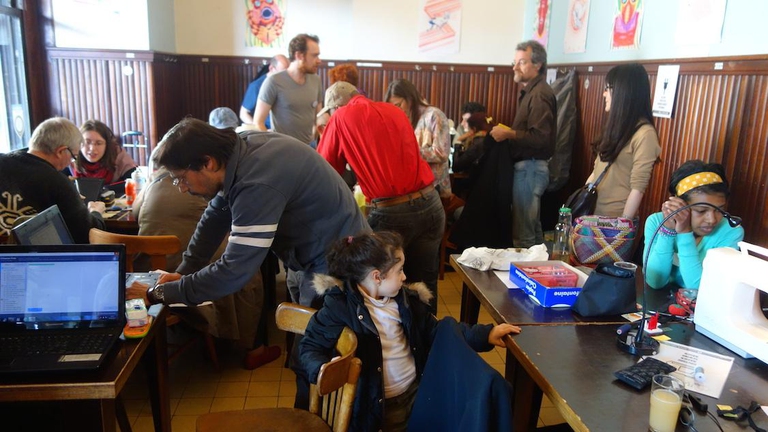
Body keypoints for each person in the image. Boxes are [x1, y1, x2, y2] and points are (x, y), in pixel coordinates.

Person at [126, 118, 369, 406]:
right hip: (312, 254)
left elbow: (233, 272)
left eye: (181, 178)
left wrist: (159, 293)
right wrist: (183, 272)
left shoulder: (256, 179)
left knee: (316, 361)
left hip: (336, 263)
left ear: (207, 162)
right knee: (308, 352)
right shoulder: (238, 152)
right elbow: (214, 218)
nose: (181, 187)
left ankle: (313, 420)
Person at [299, 232, 520, 432]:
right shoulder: (339, 307)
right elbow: (310, 346)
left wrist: (485, 335)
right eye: (399, 271)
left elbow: (439, 332)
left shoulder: (405, 301)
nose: (404, 277)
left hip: (416, 395)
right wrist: (324, 370)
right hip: (374, 406)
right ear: (377, 277)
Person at [317, 81, 444, 313]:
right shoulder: (394, 111)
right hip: (431, 204)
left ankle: (391, 335)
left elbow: (323, 170)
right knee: (424, 285)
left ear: (335, 108)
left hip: (393, 213)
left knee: (380, 285)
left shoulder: (341, 117)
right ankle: (429, 333)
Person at [489, 40, 556, 248]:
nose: (515, 67)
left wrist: (508, 133)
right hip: (530, 168)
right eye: (515, 62)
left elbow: (541, 137)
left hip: (531, 168)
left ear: (537, 65)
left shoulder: (540, 94)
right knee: (533, 233)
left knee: (523, 235)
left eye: (522, 62)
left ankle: (526, 270)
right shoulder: (533, 92)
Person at [0, 117, 106, 243]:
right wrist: (95, 212)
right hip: (30, 255)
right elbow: (89, 235)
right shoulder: (58, 183)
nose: (70, 163)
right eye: (74, 156)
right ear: (61, 151)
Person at [644, 160, 744, 290]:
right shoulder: (656, 222)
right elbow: (655, 281)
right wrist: (668, 231)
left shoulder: (731, 232)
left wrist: (685, 233)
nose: (712, 220)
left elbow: (700, 287)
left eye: (719, 210)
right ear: (679, 205)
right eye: (701, 211)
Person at [585, 63, 661, 220]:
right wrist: (583, 199)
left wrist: (622, 224)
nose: (604, 94)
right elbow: (596, 171)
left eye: (608, 88)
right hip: (593, 214)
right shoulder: (616, 127)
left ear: (623, 92)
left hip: (615, 220)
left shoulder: (645, 133)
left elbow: (638, 188)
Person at [384, 78, 452, 200]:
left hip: (434, 188)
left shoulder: (434, 115)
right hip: (415, 189)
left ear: (410, 99)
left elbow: (441, 153)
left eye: (398, 105)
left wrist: (407, 152)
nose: (397, 110)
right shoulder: (405, 119)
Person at [253, 34, 323, 145]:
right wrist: (272, 147)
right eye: (314, 56)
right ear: (299, 55)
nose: (319, 60)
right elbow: (258, 123)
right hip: (282, 149)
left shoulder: (316, 80)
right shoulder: (273, 82)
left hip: (309, 149)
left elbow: (319, 116)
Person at [73, 120, 137, 185]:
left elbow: (134, 183)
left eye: (99, 143)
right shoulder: (70, 157)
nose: (92, 148)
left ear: (107, 145)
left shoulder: (119, 156)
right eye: (87, 142)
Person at [239, 54, 289, 127]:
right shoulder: (256, 86)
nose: (286, 76)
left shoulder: (286, 83)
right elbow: (243, 114)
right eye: (282, 73)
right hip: (267, 129)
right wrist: (259, 129)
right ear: (271, 68)